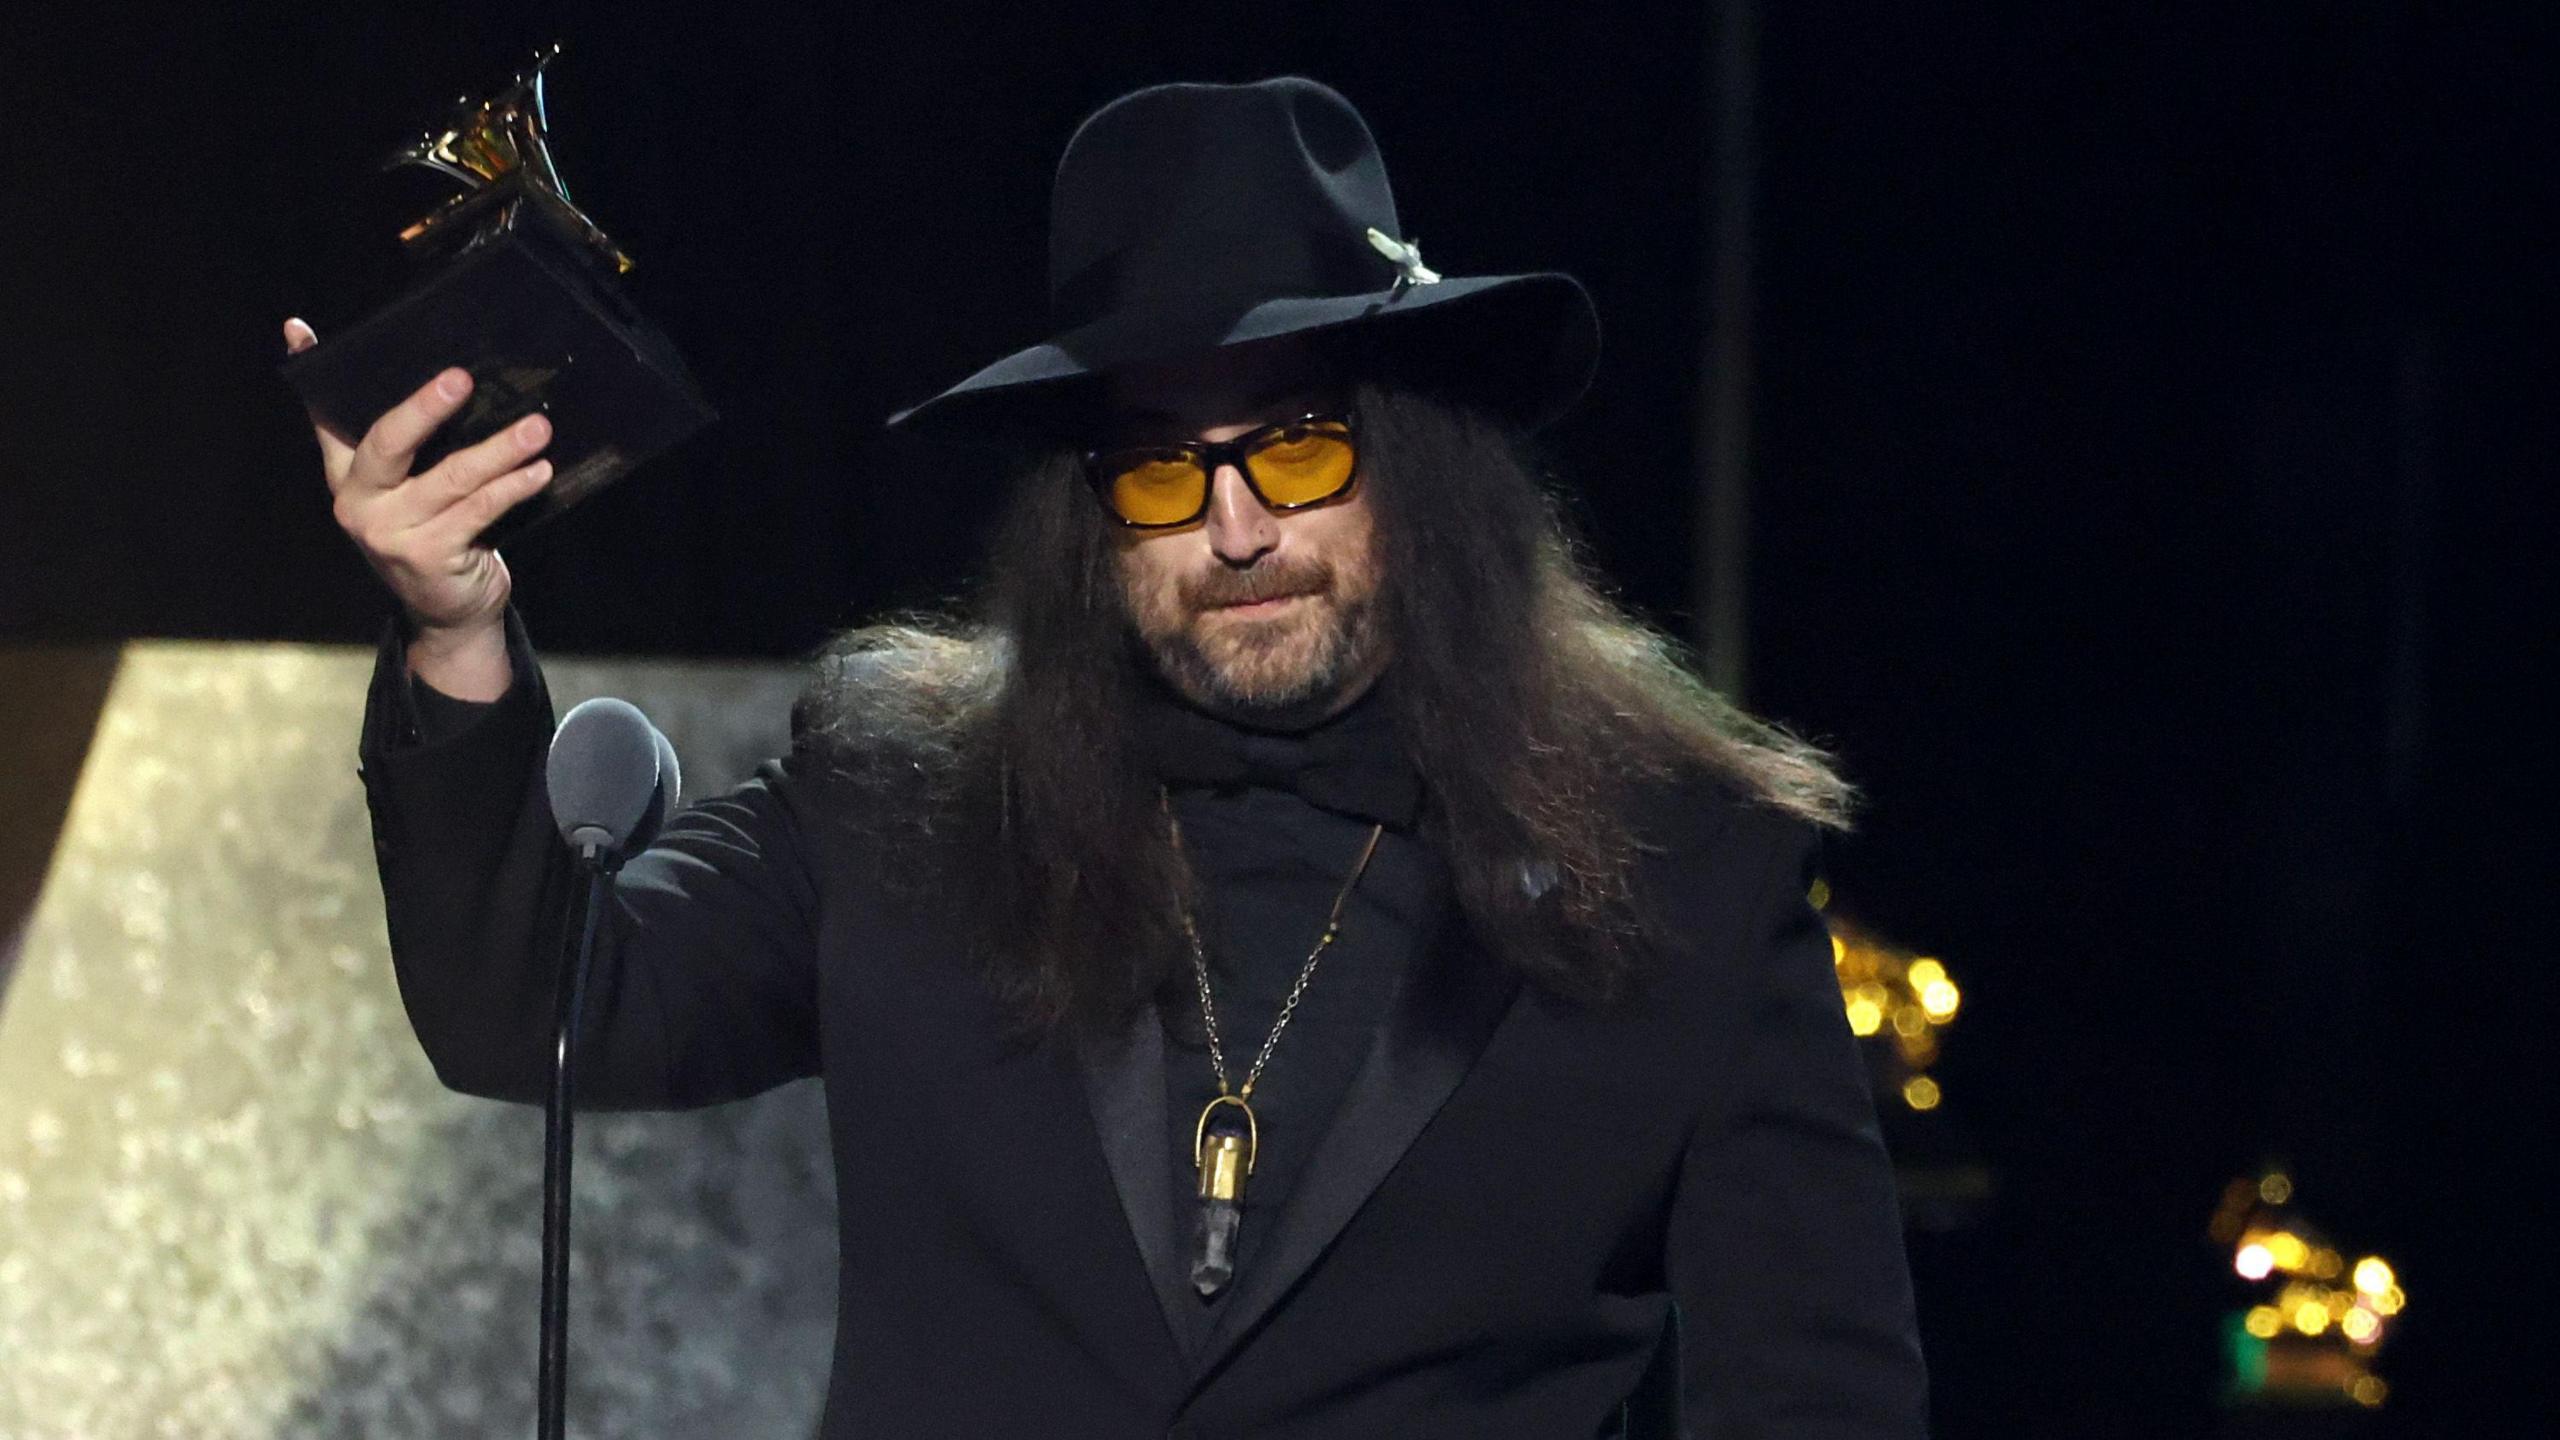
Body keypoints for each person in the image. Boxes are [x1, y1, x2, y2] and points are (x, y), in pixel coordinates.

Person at [293, 76, 1926, 1438]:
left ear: (1419, 459)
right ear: (1088, 518)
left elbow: (1816, 1405)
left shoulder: (1688, 868)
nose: (1234, 530)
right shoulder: (905, 795)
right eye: (1161, 470)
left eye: (1295, 447)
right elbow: (547, 1008)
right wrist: (455, 635)